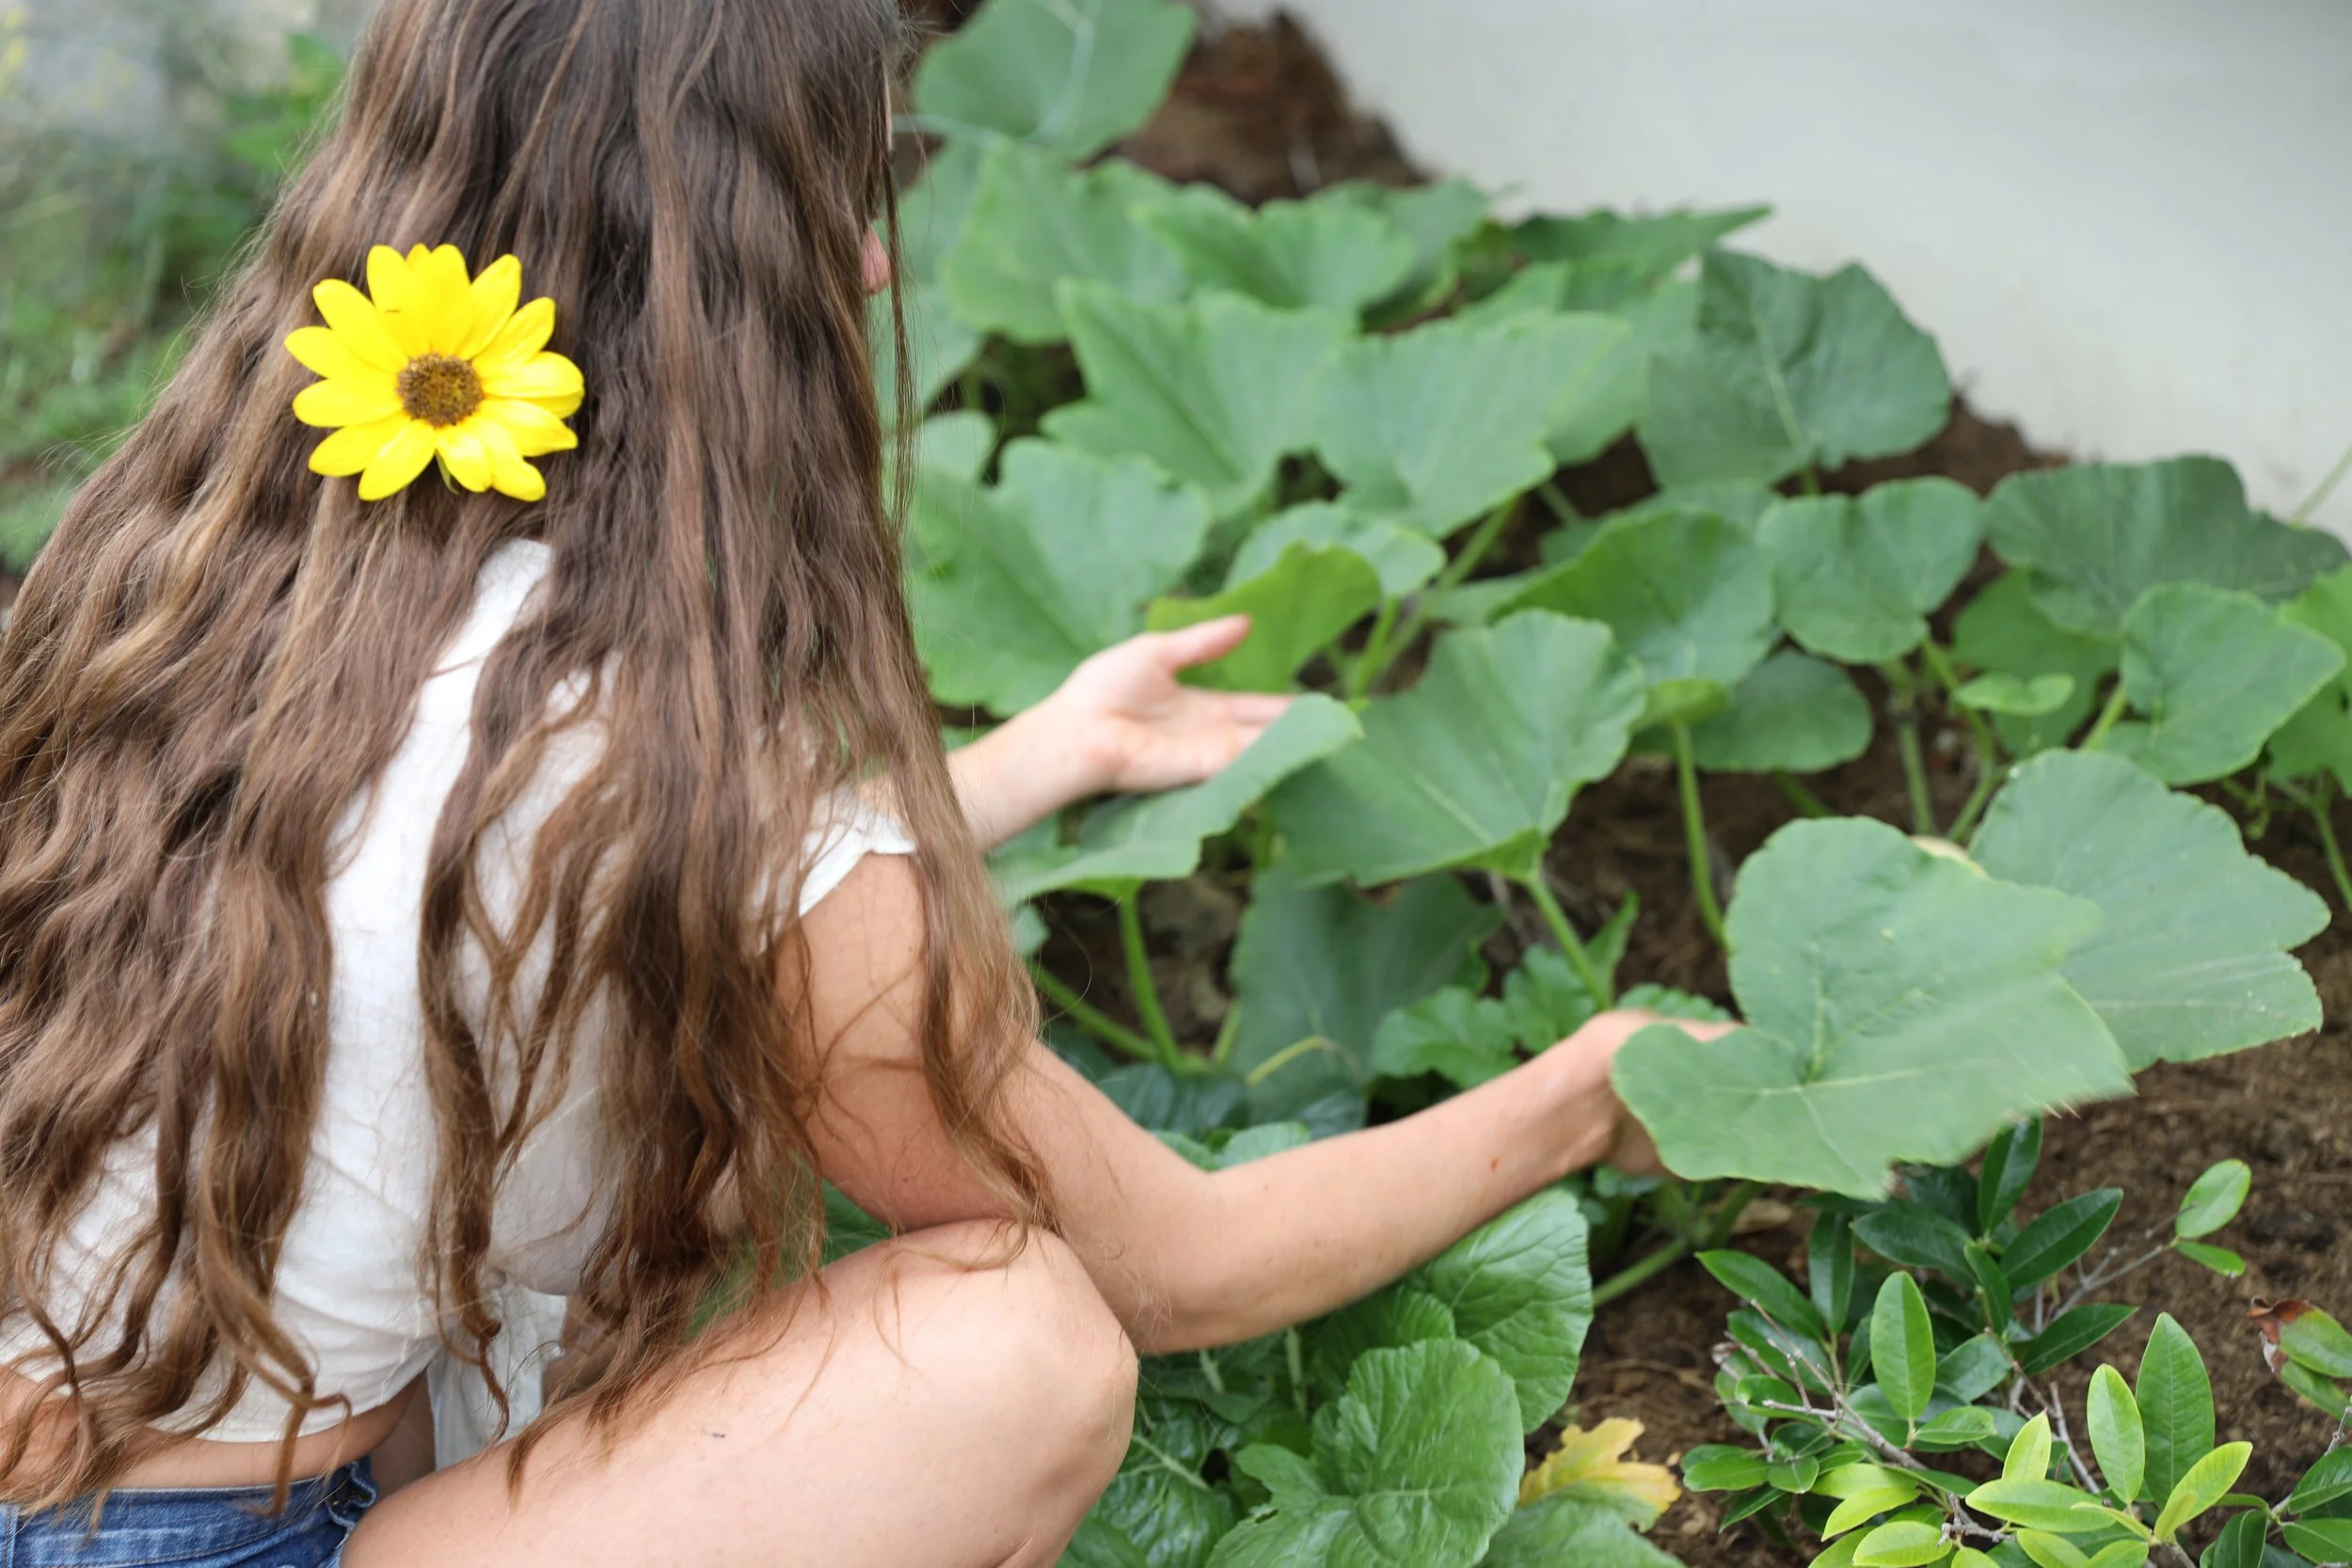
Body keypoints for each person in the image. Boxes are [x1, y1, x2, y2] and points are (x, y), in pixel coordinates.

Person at [0, 1, 1726, 1563]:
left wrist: (1031, 763)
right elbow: (1177, 1263)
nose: (883, 266)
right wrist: (1581, 1092)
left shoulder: (226, 561)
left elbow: (508, 882)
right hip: (224, 1548)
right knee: (1015, 1338)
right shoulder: (698, 777)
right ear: (741, 273)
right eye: (855, 184)